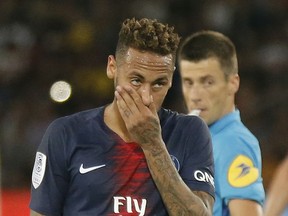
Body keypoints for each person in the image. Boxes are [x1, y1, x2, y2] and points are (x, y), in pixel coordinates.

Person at [30, 18, 215, 216]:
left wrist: (153, 144)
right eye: (136, 80)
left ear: (171, 78)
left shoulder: (189, 132)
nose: (146, 96)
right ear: (112, 67)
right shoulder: (65, 133)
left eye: (159, 83)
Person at [177, 30, 265, 216]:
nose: (195, 96)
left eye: (207, 82)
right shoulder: (197, 138)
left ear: (233, 83)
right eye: (188, 82)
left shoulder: (233, 143)